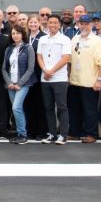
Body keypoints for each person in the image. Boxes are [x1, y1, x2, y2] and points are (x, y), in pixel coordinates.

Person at [68, 14, 101, 143]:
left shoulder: (98, 41)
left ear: (92, 25)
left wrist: (99, 79)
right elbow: (69, 60)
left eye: (86, 23)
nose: (84, 26)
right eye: (82, 23)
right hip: (74, 81)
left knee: (90, 109)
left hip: (90, 81)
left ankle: (91, 133)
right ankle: (75, 132)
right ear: (78, 24)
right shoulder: (75, 39)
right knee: (74, 109)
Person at [36, 15, 72, 145]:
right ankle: (52, 133)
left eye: (55, 23)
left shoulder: (65, 39)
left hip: (60, 78)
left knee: (62, 107)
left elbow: (66, 58)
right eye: (50, 23)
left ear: (59, 24)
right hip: (45, 78)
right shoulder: (42, 39)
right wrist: (45, 70)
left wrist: (52, 71)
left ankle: (63, 134)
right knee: (48, 107)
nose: (52, 25)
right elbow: (39, 56)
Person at [2, 25, 36, 144]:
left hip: (23, 84)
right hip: (11, 84)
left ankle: (23, 134)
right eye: (13, 33)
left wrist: (20, 84)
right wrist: (9, 83)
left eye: (18, 33)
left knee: (16, 107)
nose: (15, 35)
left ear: (23, 34)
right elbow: (4, 68)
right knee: (17, 109)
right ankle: (19, 133)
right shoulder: (9, 49)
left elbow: (31, 69)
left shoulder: (28, 48)